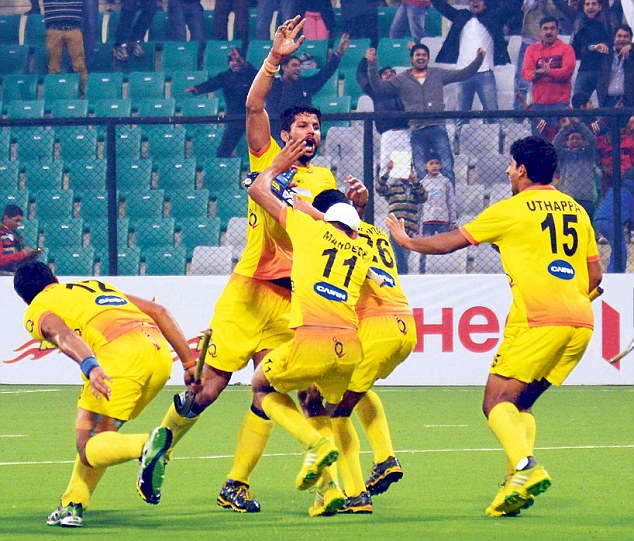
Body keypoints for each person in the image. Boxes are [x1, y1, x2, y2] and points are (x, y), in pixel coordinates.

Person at [155, 15, 368, 514]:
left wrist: (354, 205)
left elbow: (338, 235)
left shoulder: (324, 178)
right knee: (206, 391)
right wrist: (274, 58)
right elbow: (253, 104)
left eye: (317, 127)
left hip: (292, 301)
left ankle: (239, 484)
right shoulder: (266, 152)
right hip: (250, 291)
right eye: (302, 125)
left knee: (273, 390)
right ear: (286, 130)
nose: (311, 132)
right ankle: (159, 445)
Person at [386, 135, 603, 517]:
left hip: (537, 318)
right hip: (581, 320)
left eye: (510, 164)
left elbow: (451, 242)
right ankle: (512, 488)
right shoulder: (577, 211)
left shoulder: (512, 208)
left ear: (521, 169)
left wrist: (407, 240)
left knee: (496, 403)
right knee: (521, 403)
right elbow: (594, 275)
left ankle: (526, 468)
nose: (506, 170)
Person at [13, 261, 196, 528]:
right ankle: (72, 505)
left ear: (24, 298)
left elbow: (60, 333)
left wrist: (90, 365)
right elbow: (158, 310)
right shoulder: (93, 286)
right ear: (55, 276)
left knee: (87, 446)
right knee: (99, 434)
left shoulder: (37, 308)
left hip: (119, 357)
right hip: (158, 354)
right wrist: (189, 362)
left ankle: (147, 446)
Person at [245, 138, 373, 513]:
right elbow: (348, 224)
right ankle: (337, 494)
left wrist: (274, 170)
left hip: (311, 339)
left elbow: (257, 190)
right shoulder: (362, 245)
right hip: (349, 348)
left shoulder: (308, 229)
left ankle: (315, 446)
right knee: (329, 412)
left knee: (260, 388)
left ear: (322, 215)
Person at [296, 188, 418, 515]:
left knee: (332, 407)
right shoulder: (372, 232)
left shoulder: (330, 236)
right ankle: (384, 458)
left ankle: (355, 492)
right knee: (358, 390)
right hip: (404, 322)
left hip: (372, 327)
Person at [366, 43, 485, 185]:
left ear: (428, 59)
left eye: (424, 55)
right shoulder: (402, 79)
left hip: (438, 128)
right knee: (420, 172)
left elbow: (463, 73)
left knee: (446, 169)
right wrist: (372, 65)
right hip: (416, 131)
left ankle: (450, 205)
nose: (421, 58)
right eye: (417, 55)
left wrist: (479, 59)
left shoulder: (437, 74)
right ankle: (424, 206)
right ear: (411, 59)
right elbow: (379, 87)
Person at [431, 0, 511, 135]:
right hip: (463, 74)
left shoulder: (494, 17)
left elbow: (512, 6)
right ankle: (458, 149)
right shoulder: (460, 16)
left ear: (485, 4)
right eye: (471, 0)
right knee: (461, 117)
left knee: (492, 115)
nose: (474, 2)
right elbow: (441, 6)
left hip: (485, 74)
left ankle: (499, 148)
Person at [266, 33, 350, 147]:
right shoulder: (273, 85)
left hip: (302, 134)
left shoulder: (305, 84)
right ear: (285, 68)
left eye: (299, 66)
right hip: (279, 135)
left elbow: (324, 74)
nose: (298, 69)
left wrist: (339, 53)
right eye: (294, 66)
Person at [186, 47, 258, 157]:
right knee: (222, 152)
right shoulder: (225, 76)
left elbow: (257, 75)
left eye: (237, 60)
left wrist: (242, 63)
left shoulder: (250, 74)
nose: (234, 63)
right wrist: (197, 89)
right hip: (234, 119)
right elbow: (212, 84)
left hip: (254, 118)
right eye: (231, 61)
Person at [521, 16, 576, 139]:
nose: (549, 32)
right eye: (545, 29)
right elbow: (526, 73)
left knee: (561, 143)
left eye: (552, 28)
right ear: (540, 32)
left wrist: (548, 71)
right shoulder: (531, 50)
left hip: (560, 105)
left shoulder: (567, 49)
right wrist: (539, 73)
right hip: (538, 106)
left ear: (558, 31)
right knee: (539, 143)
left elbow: (567, 73)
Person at [356, 59, 411, 172]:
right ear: (380, 79)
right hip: (388, 134)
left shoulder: (405, 89)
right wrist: (366, 59)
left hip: (405, 133)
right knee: (387, 172)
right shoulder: (376, 91)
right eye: (385, 73)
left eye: (392, 72)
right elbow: (360, 75)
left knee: (403, 173)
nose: (389, 74)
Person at [375, 159, 428, 274]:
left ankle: (400, 273)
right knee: (398, 252)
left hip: (410, 227)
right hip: (396, 226)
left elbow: (423, 197)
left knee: (404, 254)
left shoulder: (415, 187)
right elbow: (379, 188)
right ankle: (402, 274)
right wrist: (387, 171)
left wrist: (415, 182)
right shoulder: (393, 186)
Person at [513, 1, 563, 113]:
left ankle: (547, 112)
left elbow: (553, 14)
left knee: (548, 77)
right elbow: (523, 9)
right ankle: (519, 113)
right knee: (522, 80)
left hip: (546, 43)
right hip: (527, 41)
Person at [570, 0, 617, 105]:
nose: (590, 7)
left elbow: (616, 41)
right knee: (578, 102)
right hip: (585, 69)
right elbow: (575, 48)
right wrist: (592, 47)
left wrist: (606, 46)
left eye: (594, 4)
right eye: (587, 4)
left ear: (600, 7)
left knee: (605, 105)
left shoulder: (608, 21)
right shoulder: (579, 23)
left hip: (605, 70)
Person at [553, 117, 599, 220]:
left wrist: (579, 124)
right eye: (571, 139)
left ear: (583, 142)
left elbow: (592, 140)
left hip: (585, 200)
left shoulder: (589, 155)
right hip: (567, 200)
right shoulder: (564, 156)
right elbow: (554, 146)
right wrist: (565, 128)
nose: (575, 141)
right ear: (567, 143)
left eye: (578, 138)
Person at [418, 152, 457, 273]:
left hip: (443, 220)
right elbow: (419, 205)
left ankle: (444, 269)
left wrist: (453, 221)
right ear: (425, 166)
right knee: (426, 246)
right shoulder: (422, 183)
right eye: (431, 163)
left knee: (444, 246)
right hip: (427, 220)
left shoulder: (445, 182)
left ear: (440, 165)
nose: (434, 166)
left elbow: (451, 202)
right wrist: (418, 223)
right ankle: (423, 269)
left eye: (437, 163)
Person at [42, 0, 88, 97]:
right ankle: (54, 97)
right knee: (53, 68)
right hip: (54, 30)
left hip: (73, 29)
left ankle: (86, 96)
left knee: (79, 66)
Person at [595, 165, 633, 272]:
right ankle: (616, 273)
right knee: (620, 250)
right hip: (613, 222)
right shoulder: (631, 191)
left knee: (617, 247)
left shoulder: (617, 187)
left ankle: (613, 271)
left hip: (601, 219)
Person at [597, 24, 634, 108]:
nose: (622, 39)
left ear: (631, 39)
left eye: (626, 37)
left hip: (629, 102)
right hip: (607, 102)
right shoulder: (605, 53)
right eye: (619, 36)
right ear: (614, 38)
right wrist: (593, 47)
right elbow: (584, 50)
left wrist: (631, 46)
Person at [0, 205, 40, 276]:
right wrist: (22, 254)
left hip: (15, 272)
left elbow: (18, 258)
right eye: (16, 220)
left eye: (20, 221)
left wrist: (29, 255)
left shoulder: (17, 235)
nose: (18, 224)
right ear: (6, 218)